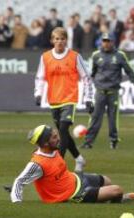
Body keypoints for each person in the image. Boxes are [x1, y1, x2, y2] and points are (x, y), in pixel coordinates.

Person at [10, 125, 134, 203]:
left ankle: (107, 198)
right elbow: (19, 182)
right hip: (74, 194)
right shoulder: (37, 164)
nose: (58, 139)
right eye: (54, 137)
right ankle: (117, 200)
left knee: (107, 180)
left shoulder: (52, 149)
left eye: (57, 135)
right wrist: (17, 203)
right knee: (117, 190)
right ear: (45, 144)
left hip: (75, 179)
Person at [34, 27, 93, 172]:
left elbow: (86, 77)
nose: (59, 41)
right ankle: (79, 159)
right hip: (54, 100)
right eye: (57, 39)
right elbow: (40, 77)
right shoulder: (45, 57)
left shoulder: (74, 56)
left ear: (66, 40)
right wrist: (38, 93)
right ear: (52, 41)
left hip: (69, 99)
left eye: (62, 39)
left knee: (63, 130)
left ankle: (57, 163)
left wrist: (89, 98)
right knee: (63, 133)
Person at [81, 33, 134, 149]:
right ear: (101, 42)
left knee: (113, 119)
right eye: (104, 41)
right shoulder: (96, 55)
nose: (106, 43)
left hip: (113, 92)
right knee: (95, 118)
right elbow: (92, 73)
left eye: (108, 41)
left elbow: (129, 70)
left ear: (113, 42)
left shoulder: (120, 55)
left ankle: (113, 141)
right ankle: (88, 142)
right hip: (100, 91)